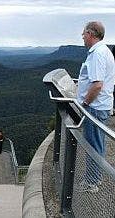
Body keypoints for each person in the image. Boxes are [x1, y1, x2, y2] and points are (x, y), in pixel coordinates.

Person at [77, 21, 115, 192]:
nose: (82, 36)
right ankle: (95, 178)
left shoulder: (98, 54)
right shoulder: (103, 51)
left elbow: (97, 85)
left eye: (84, 33)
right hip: (101, 106)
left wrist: (85, 104)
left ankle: (92, 183)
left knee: (92, 146)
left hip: (95, 108)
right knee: (97, 144)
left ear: (91, 34)